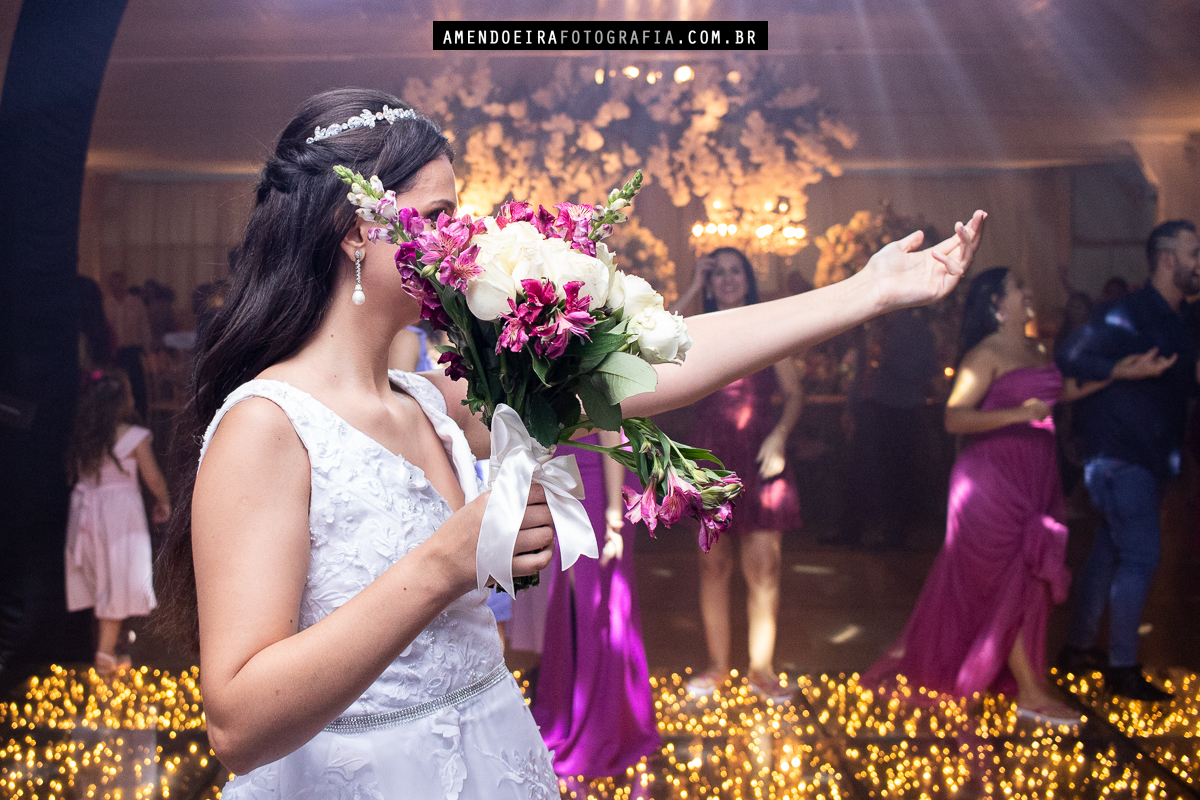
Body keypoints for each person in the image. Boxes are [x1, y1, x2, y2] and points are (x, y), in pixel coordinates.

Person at [154, 88, 986, 797]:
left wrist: (860, 296)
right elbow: (237, 722)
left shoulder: (433, 395)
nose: (463, 243)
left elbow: (654, 366)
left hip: (491, 752)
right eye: (441, 216)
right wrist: (442, 565)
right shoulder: (268, 425)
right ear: (355, 229)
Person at [861, 267, 1163, 725]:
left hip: (1034, 476)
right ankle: (1031, 691)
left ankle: (1025, 684)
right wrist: (1016, 414)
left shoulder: (1037, 348)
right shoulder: (985, 355)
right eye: (1020, 286)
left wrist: (1120, 373)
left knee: (1027, 578)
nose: (1030, 290)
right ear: (998, 304)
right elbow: (954, 418)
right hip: (989, 483)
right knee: (1015, 575)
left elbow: (1060, 391)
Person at [1056, 219, 1200, 701]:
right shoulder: (1126, 313)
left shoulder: (1185, 319)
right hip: (1118, 455)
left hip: (1152, 455)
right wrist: (1119, 370)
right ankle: (1122, 667)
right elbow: (1071, 356)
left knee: (1110, 550)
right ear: (1166, 259)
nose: (1199, 263)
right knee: (1140, 555)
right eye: (1193, 253)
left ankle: (1078, 650)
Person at [673, 247, 804, 701]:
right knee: (714, 566)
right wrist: (692, 286)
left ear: (747, 280)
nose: (727, 279)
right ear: (709, 282)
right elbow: (650, 341)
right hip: (709, 459)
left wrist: (781, 437)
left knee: (765, 568)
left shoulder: (768, 328)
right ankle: (717, 666)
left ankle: (761, 669)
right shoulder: (696, 330)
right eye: (718, 273)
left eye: (735, 271)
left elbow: (794, 393)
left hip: (761, 454)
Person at [532, 431, 660, 787]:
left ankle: (600, 726)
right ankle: (578, 713)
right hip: (570, 473)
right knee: (579, 600)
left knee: (599, 602)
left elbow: (611, 426)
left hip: (600, 477)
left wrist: (614, 516)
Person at [65, 369, 170, 674]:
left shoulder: (86, 438)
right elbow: (153, 478)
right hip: (119, 521)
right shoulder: (133, 437)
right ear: (122, 402)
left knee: (102, 581)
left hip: (87, 517)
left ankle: (114, 645)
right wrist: (164, 501)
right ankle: (105, 656)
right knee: (117, 583)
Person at [837, 307, 939, 549]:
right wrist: (851, 407)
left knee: (895, 472)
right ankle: (851, 530)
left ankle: (893, 534)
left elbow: (926, 369)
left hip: (899, 409)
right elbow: (862, 371)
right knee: (860, 468)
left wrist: (890, 363)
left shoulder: (914, 328)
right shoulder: (874, 327)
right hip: (870, 407)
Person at [103, 271, 152, 418]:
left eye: (120, 282)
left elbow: (144, 327)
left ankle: (139, 416)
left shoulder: (135, 302)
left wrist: (146, 349)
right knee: (115, 385)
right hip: (113, 351)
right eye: (114, 283)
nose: (117, 286)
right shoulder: (106, 304)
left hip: (132, 350)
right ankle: (116, 417)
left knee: (137, 385)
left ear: (125, 283)